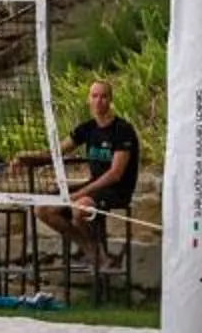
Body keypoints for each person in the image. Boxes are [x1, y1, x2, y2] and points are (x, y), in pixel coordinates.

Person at [22, 79, 141, 271]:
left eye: (103, 96)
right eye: (95, 96)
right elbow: (55, 153)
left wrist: (79, 194)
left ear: (110, 100)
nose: (99, 101)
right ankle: (91, 251)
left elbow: (115, 174)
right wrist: (24, 159)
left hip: (116, 190)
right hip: (94, 186)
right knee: (42, 209)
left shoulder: (123, 130)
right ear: (89, 100)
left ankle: (100, 257)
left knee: (80, 208)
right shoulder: (87, 128)